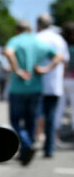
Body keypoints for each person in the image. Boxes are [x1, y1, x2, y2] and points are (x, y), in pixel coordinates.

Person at [4, 20, 64, 165]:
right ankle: (26, 149)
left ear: (18, 30)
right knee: (31, 121)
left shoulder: (15, 40)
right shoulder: (37, 42)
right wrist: (46, 69)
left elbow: (8, 52)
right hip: (35, 88)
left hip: (18, 89)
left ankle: (26, 144)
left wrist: (17, 70)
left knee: (15, 121)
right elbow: (59, 57)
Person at [35, 13, 69, 157]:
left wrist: (45, 69)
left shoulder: (37, 38)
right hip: (55, 85)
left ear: (38, 24)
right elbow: (64, 60)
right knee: (50, 117)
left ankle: (31, 144)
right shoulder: (59, 39)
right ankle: (49, 148)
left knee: (35, 116)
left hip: (37, 84)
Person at [58, 22, 74, 137]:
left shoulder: (62, 45)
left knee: (59, 108)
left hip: (61, 80)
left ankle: (55, 134)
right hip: (72, 79)